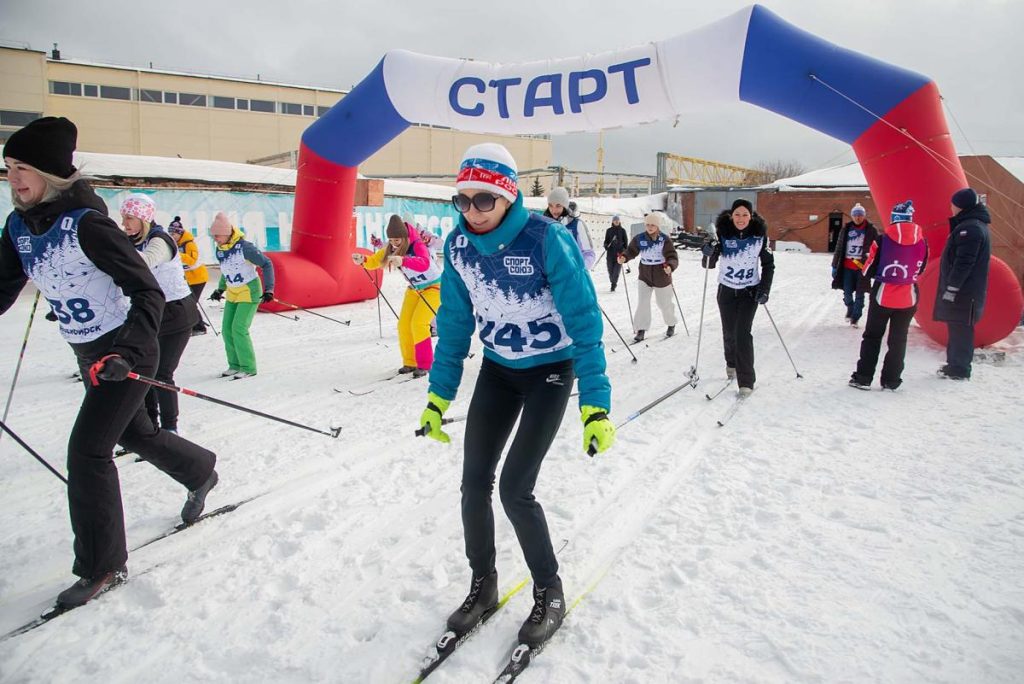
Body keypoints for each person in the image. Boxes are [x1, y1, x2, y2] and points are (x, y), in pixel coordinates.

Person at [0, 117, 218, 609]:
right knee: (135, 434)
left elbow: (147, 290)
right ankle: (200, 470)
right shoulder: (18, 227)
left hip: (126, 350)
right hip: (88, 353)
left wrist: (127, 352)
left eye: (22, 168)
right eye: (8, 167)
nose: (12, 178)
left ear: (51, 173)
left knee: (88, 450)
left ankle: (102, 564)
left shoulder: (88, 225)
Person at [418, 142, 614, 648]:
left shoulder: (546, 238)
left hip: (550, 371)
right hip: (499, 371)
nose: (472, 211)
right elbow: (454, 324)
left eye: (483, 199)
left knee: (514, 489)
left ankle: (549, 590)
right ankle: (483, 584)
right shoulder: (457, 247)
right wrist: (438, 397)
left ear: (507, 196)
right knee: (473, 484)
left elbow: (584, 321)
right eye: (462, 200)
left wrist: (595, 404)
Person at [119, 195, 199, 433]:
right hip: (150, 312)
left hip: (176, 313)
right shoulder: (132, 240)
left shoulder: (160, 240)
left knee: (162, 373)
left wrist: (111, 252)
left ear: (143, 218)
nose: (124, 223)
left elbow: (144, 262)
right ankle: (149, 428)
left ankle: (169, 429)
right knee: (143, 372)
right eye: (123, 218)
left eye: (130, 218)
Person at [849, 200, 928, 390]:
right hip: (909, 296)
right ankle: (891, 381)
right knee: (899, 339)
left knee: (872, 336)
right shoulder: (922, 241)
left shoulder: (882, 240)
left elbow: (867, 270)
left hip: (883, 295)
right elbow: (921, 269)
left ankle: (863, 378)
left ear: (894, 218)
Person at [702, 198, 775, 396]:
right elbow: (709, 263)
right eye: (737, 214)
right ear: (731, 215)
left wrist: (764, 289)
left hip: (749, 292)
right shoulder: (723, 233)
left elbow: (768, 265)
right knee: (729, 332)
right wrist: (708, 251)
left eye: (745, 215)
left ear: (751, 216)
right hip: (726, 290)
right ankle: (731, 363)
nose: (741, 218)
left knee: (742, 334)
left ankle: (746, 381)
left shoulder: (759, 236)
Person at [353, 215, 441, 377]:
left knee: (418, 324)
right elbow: (375, 261)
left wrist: (403, 261)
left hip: (434, 288)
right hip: (414, 289)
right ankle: (410, 362)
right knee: (404, 325)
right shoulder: (391, 247)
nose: (394, 243)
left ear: (405, 237)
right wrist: (363, 260)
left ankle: (425, 364)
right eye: (391, 240)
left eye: (397, 240)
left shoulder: (417, 244)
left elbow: (424, 263)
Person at [208, 212, 274, 379]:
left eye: (217, 235)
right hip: (233, 292)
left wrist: (269, 289)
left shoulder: (245, 247)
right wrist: (220, 289)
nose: (215, 239)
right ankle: (234, 365)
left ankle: (248, 367)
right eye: (213, 236)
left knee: (239, 328)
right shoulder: (220, 249)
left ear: (226, 232)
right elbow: (226, 270)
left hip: (249, 292)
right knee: (226, 329)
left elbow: (267, 264)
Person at [934, 188, 991, 380]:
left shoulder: (971, 229)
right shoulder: (972, 225)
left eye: (953, 204)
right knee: (957, 327)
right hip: (966, 291)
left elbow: (964, 262)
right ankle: (955, 364)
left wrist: (952, 288)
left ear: (961, 206)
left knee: (961, 329)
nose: (951, 208)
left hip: (964, 292)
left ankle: (959, 369)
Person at [617, 211, 679, 341]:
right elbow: (631, 250)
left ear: (658, 226)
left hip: (661, 274)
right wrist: (624, 257)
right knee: (643, 303)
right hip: (644, 274)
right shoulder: (639, 238)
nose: (650, 227)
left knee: (664, 303)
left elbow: (672, 256)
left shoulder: (664, 239)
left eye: (653, 225)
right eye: (648, 225)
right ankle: (641, 329)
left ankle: (671, 323)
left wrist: (670, 266)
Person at [831, 203, 878, 327]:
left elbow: (877, 248)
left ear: (864, 216)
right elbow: (839, 247)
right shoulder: (846, 229)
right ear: (852, 216)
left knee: (860, 294)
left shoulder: (871, 230)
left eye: (860, 215)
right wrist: (834, 265)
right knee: (847, 293)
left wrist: (875, 266)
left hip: (862, 267)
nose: (858, 217)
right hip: (847, 267)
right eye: (855, 215)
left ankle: (855, 317)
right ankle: (850, 308)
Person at [168, 216, 210, 335]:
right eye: (170, 233)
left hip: (198, 278)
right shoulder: (175, 244)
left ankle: (199, 327)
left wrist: (177, 254)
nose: (172, 236)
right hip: (188, 278)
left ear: (180, 233)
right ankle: (196, 325)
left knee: (191, 303)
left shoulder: (189, 243)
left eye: (174, 234)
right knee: (188, 303)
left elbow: (192, 260)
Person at [544, 187, 596, 270]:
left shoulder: (577, 225)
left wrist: (580, 270)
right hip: (551, 275)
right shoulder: (544, 224)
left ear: (565, 206)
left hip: (572, 274)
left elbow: (589, 253)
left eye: (558, 206)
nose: (554, 210)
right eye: (550, 205)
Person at [603, 215, 628, 291]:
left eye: (617, 220)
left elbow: (626, 242)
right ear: (612, 221)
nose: (616, 221)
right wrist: (606, 246)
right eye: (615, 220)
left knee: (616, 271)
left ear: (619, 221)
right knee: (610, 270)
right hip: (610, 254)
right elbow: (606, 241)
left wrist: (624, 251)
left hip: (619, 254)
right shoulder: (609, 230)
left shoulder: (622, 231)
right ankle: (613, 281)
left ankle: (613, 284)